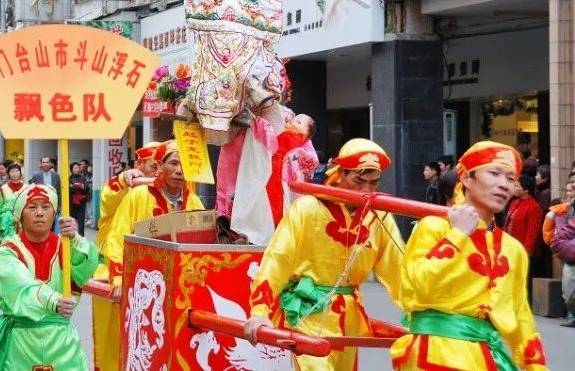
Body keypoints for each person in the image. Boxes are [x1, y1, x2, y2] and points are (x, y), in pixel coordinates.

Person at [244, 138, 404, 371]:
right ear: (340, 174)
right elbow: (277, 259)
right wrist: (260, 311)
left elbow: (398, 271)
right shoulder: (307, 208)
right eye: (359, 181)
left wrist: (421, 313)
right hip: (309, 312)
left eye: (374, 183)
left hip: (348, 319)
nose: (366, 191)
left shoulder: (379, 217)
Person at [391, 141, 547, 369]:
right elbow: (417, 285)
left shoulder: (512, 249)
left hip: (486, 357)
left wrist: (536, 367)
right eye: (494, 173)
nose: (504, 185)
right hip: (436, 354)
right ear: (466, 179)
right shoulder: (435, 227)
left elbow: (521, 317)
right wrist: (457, 235)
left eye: (511, 179)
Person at [0, 184, 99, 371]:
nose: (39, 213)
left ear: (54, 214)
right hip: (21, 339)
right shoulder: (7, 252)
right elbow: (20, 285)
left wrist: (75, 238)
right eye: (32, 207)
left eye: (46, 207)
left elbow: (86, 268)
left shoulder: (66, 246)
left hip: (61, 339)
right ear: (21, 215)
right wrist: (54, 300)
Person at [92, 141, 160, 371]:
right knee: (111, 344)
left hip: (151, 283)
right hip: (113, 274)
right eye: (154, 165)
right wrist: (123, 179)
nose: (159, 172)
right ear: (138, 164)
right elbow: (107, 198)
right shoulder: (126, 188)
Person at [104, 140, 204, 293]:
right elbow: (117, 239)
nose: (179, 170)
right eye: (174, 163)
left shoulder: (194, 201)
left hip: (181, 285)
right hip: (143, 283)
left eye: (184, 164)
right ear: (159, 166)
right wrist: (118, 278)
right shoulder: (139, 195)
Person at [546, 181, 575, 327]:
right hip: (567, 251)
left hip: (568, 248)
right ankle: (572, 315)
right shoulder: (564, 209)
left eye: (573, 190)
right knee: (568, 285)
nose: (569, 193)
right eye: (568, 190)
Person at [0, 163, 25, 242]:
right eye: (12, 171)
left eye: (17, 171)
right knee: (8, 245)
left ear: (20, 173)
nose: (15, 174)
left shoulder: (26, 188)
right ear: (8, 174)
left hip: (23, 220)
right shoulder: (3, 188)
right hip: (7, 221)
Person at [30, 156, 62, 232]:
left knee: (52, 224)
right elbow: (32, 191)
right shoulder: (36, 176)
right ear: (41, 164)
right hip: (40, 204)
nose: (45, 164)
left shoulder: (56, 176)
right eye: (43, 162)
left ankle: (51, 241)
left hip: (53, 204)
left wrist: (59, 205)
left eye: (47, 162)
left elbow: (59, 191)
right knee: (41, 224)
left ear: (50, 164)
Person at [68, 162, 90, 237]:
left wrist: (76, 187)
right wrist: (78, 187)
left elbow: (86, 189)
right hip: (71, 204)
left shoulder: (83, 178)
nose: (77, 169)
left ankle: (81, 238)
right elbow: (69, 190)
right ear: (72, 169)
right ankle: (71, 238)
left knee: (81, 223)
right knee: (71, 222)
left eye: (78, 168)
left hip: (81, 204)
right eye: (75, 168)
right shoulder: (69, 179)